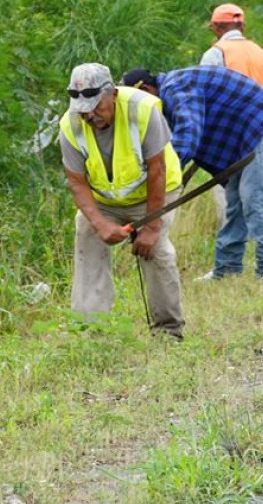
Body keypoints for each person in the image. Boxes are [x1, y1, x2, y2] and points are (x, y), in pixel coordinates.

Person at [122, 66, 263, 279]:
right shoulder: (169, 95)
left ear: (147, 89)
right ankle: (227, 270)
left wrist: (164, 174)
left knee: (255, 200)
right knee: (235, 201)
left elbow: (188, 134)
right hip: (243, 137)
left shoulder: (177, 87)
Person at [58, 63, 186, 339]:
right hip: (105, 200)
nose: (90, 115)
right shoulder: (69, 125)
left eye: (96, 106)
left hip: (155, 192)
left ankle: (168, 330)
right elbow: (77, 183)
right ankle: (91, 330)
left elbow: (157, 170)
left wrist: (151, 227)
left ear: (113, 94)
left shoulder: (144, 110)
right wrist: (100, 223)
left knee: (157, 250)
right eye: (83, 109)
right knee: (86, 235)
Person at [198, 3, 263, 230]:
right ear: (242, 26)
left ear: (216, 28)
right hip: (261, 131)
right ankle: (258, 240)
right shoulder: (262, 54)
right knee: (257, 191)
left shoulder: (215, 53)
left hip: (228, 134)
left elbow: (205, 98)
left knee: (227, 193)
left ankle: (232, 248)